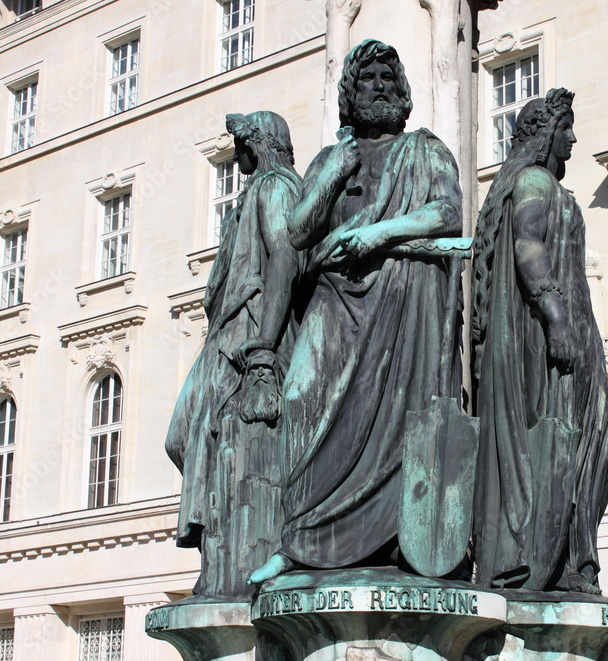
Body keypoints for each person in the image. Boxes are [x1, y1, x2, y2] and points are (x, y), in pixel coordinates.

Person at [248, 39, 463, 584]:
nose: (381, 86)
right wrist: (329, 176)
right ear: (349, 92)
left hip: (403, 296)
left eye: (390, 77)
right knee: (299, 402)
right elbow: (297, 233)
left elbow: (447, 213)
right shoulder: (331, 157)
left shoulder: (425, 149)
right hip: (335, 298)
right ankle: (301, 540)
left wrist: (380, 232)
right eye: (368, 78)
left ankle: (397, 541)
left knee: (399, 417)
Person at [470, 88, 608, 593]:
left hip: (570, 329)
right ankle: (555, 563)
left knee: (598, 441)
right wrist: (556, 318)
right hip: (547, 340)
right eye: (567, 129)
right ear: (546, 135)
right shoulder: (535, 181)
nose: (575, 137)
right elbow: (526, 243)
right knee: (569, 442)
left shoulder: (550, 188)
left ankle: (569, 558)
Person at [165, 111, 303, 599]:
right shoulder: (255, 192)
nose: (236, 154)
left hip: (247, 336)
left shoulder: (276, 187)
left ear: (260, 144)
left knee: (221, 447)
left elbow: (284, 255)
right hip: (226, 335)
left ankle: (230, 566)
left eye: (241, 143)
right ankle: (215, 554)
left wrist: (265, 344)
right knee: (186, 437)